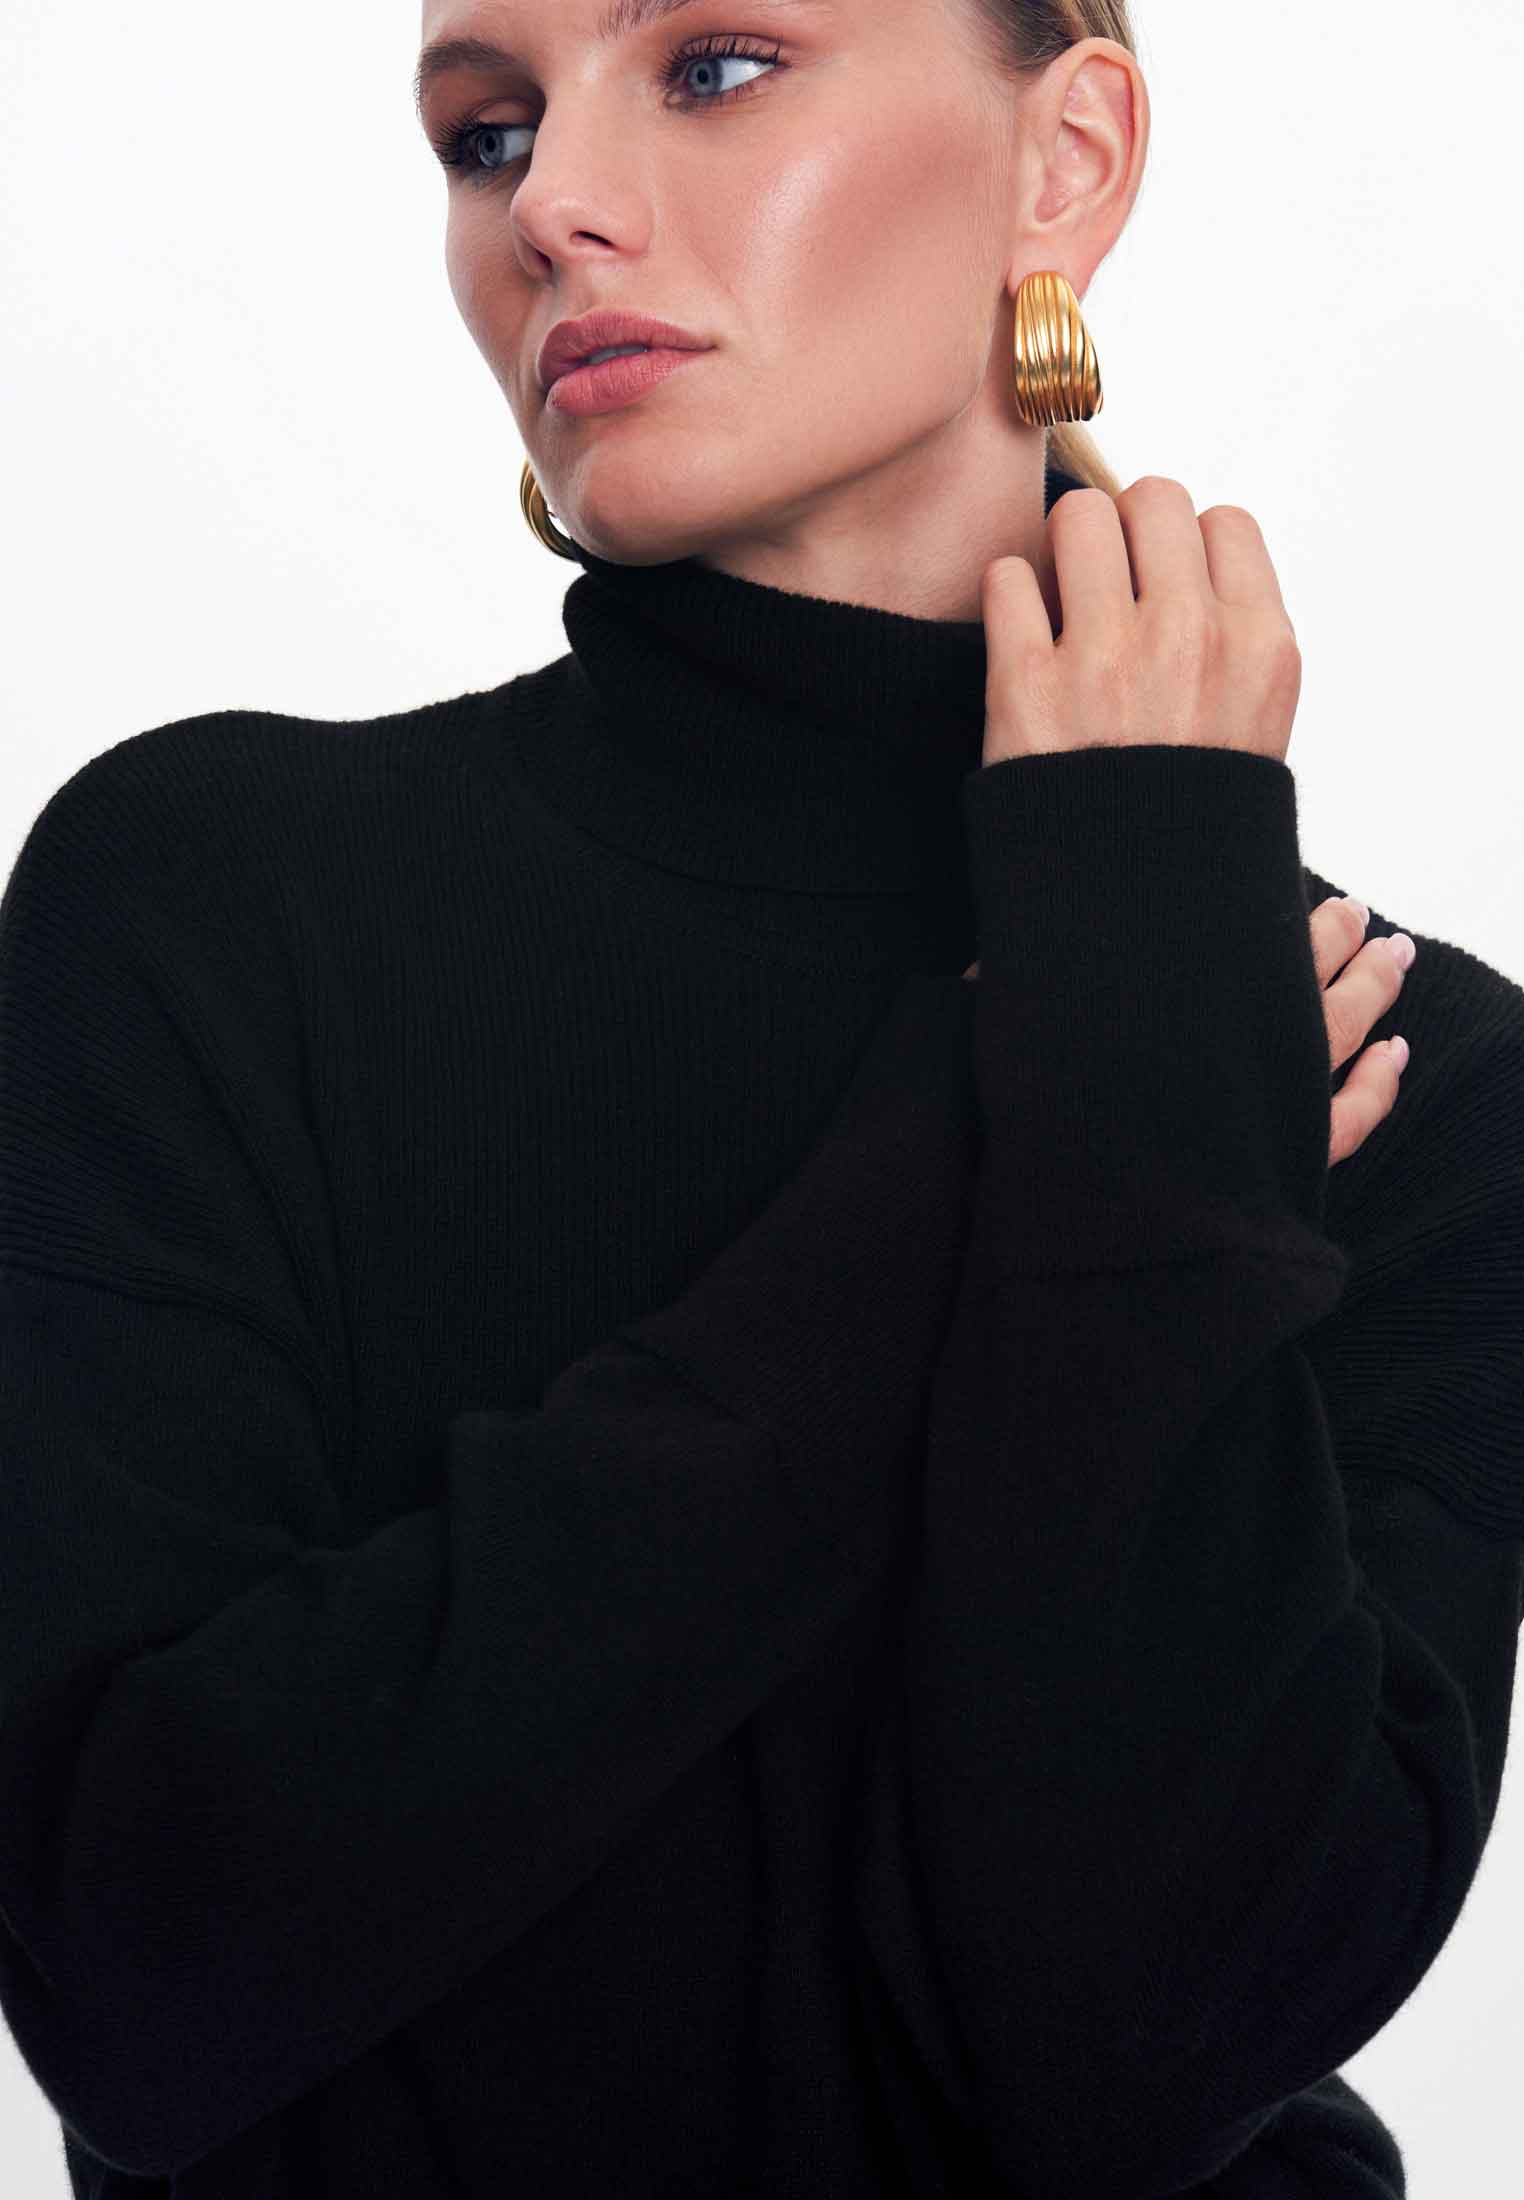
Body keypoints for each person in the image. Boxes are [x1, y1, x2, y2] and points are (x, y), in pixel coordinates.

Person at [1, 2, 1520, 2195]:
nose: (550, 205)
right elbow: (140, 1978)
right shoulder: (210, 904)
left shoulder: (1396, 1063)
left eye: (713, 66)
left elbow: (1129, 2044)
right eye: (485, 129)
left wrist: (1142, 994)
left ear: (1067, 159)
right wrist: (1026, 1104)